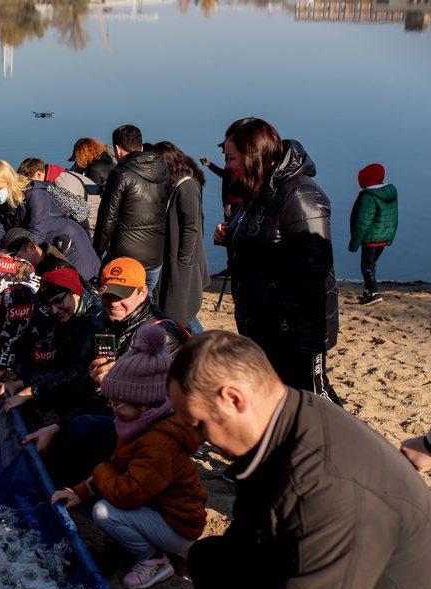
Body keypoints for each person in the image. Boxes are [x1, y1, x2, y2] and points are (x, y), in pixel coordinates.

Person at [169, 330, 431, 589]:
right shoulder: (286, 421)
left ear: (233, 398)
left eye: (198, 426)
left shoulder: (323, 487)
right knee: (214, 561)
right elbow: (240, 559)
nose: (194, 443)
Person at [52, 324, 206, 589]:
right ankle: (150, 540)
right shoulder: (140, 424)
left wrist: (99, 471)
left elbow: (127, 493)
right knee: (93, 500)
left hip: (179, 526)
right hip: (162, 510)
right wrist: (79, 491)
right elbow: (118, 466)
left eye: (118, 402)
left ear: (144, 403)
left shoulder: (158, 443)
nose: (112, 407)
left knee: (103, 511)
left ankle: (154, 560)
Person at [23, 257, 188, 488]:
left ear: (142, 292)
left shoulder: (161, 336)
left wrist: (110, 389)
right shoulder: (112, 322)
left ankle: (68, 488)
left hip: (158, 429)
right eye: (109, 294)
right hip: (123, 411)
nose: (114, 302)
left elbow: (153, 406)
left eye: (122, 295)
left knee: (80, 428)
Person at [212, 118, 340, 403]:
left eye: (231, 158)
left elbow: (314, 267)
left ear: (252, 155)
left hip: (295, 330)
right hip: (262, 323)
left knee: (313, 400)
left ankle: (348, 447)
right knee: (277, 399)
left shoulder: (301, 195)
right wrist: (230, 236)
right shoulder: (256, 190)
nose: (229, 165)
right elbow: (264, 237)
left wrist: (280, 319)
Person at [0, 267, 104, 416]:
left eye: (59, 301)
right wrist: (19, 384)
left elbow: (76, 370)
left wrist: (29, 393)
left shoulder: (95, 319)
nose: (54, 310)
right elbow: (59, 365)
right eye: (49, 305)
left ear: (75, 293)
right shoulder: (63, 318)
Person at [0, 159, 101, 281]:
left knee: (80, 284)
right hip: (44, 250)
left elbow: (37, 232)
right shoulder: (5, 203)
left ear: (9, 182)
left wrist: (9, 251)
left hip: (67, 245)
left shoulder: (35, 195)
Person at [94, 125, 169, 295]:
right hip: (155, 256)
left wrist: (96, 252)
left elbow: (107, 220)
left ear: (118, 150)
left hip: (126, 257)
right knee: (145, 306)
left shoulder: (120, 174)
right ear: (141, 146)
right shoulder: (161, 168)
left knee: (116, 306)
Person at [151, 141, 210, 333]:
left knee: (181, 310)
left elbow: (191, 227)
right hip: (176, 260)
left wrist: (183, 261)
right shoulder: (176, 185)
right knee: (177, 310)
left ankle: (196, 343)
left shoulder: (186, 188)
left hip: (184, 263)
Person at [349, 162, 398, 305]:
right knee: (371, 264)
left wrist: (354, 243)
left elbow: (363, 221)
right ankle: (368, 291)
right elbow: (394, 218)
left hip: (370, 238)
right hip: (383, 237)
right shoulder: (390, 194)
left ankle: (374, 292)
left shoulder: (369, 196)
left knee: (366, 265)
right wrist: (390, 236)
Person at [18, 156, 101, 238]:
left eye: (29, 182)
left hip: (92, 224)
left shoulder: (63, 184)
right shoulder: (58, 175)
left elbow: (79, 213)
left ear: (38, 174)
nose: (29, 187)